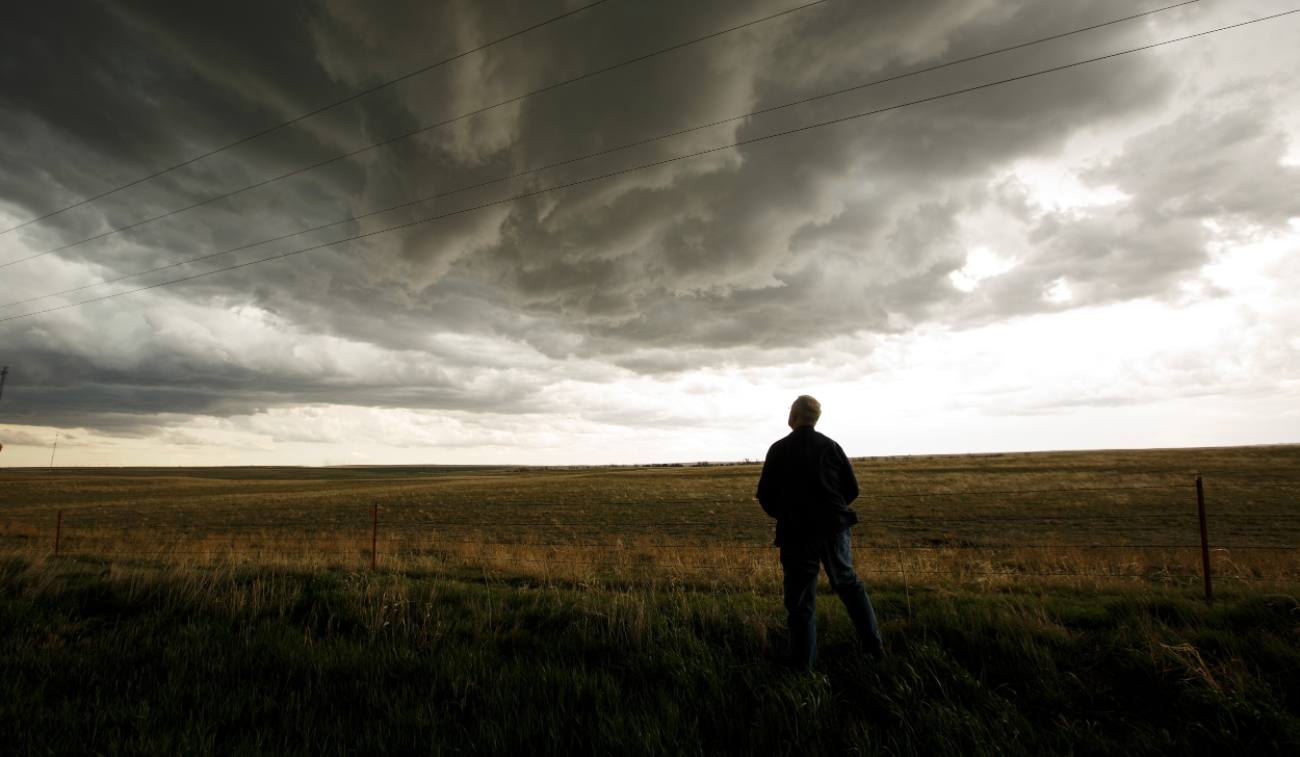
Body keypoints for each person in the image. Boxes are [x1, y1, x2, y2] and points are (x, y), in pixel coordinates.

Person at [756, 395, 884, 669]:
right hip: (833, 528)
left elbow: (764, 495)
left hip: (796, 533)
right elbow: (852, 489)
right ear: (815, 419)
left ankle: (804, 665)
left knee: (800, 598)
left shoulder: (779, 449)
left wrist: (786, 515)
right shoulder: (830, 446)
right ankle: (875, 649)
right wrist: (832, 509)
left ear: (793, 416)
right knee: (849, 585)